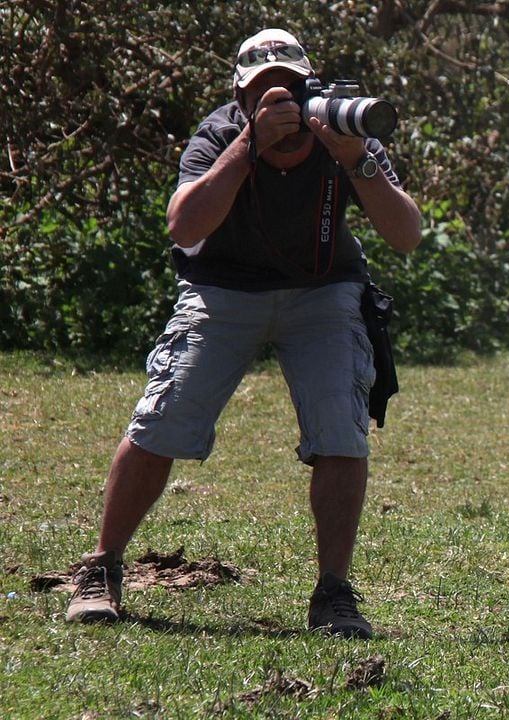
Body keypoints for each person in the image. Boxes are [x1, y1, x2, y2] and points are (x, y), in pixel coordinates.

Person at [64, 29, 422, 638]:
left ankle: (333, 593)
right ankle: (102, 568)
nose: (280, 99)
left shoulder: (341, 129)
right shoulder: (220, 133)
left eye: (291, 85)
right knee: (164, 417)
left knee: (341, 428)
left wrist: (355, 159)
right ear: (241, 93)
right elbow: (183, 226)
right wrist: (247, 145)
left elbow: (407, 235)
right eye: (263, 90)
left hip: (323, 292)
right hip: (222, 291)